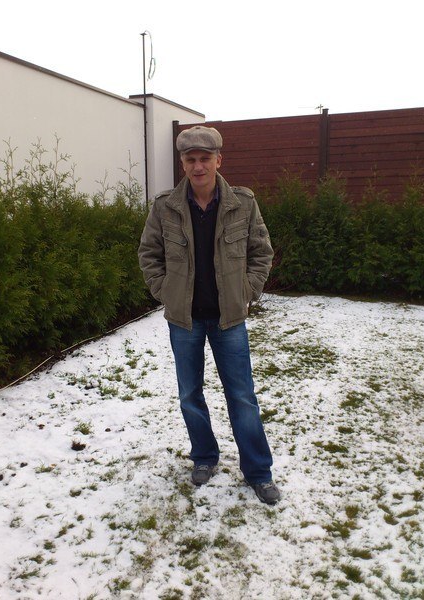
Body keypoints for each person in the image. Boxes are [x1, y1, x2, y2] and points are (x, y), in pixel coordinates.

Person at [138, 125, 280, 505]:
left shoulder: (242, 203)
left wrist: (247, 292)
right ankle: (204, 456)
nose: (198, 166)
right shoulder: (165, 207)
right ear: (183, 163)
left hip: (228, 320)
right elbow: (149, 254)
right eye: (191, 159)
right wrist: (164, 291)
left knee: (242, 397)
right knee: (189, 395)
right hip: (184, 321)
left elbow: (261, 252)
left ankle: (259, 472)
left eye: (205, 158)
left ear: (219, 160)